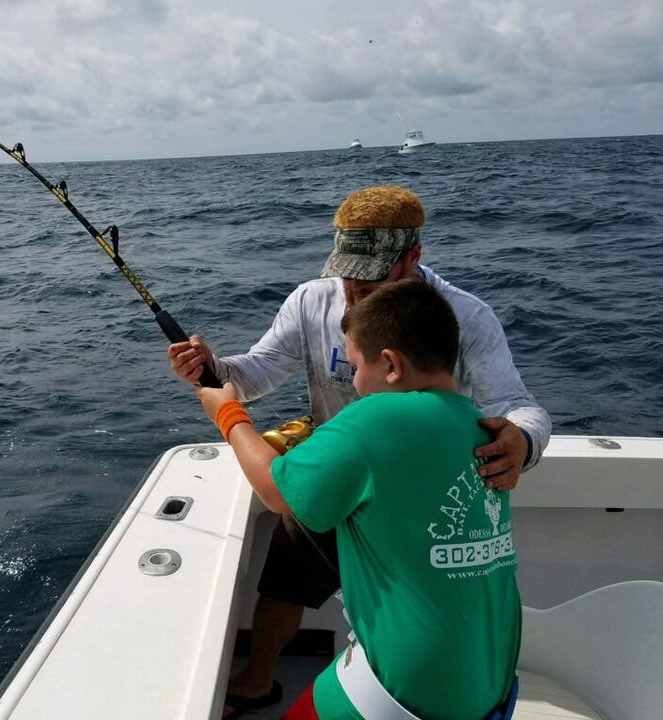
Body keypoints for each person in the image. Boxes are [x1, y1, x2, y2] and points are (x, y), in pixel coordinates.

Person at [167, 185, 549, 718]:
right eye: (347, 274)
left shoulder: (467, 316)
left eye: (369, 278)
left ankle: (382, 677)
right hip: (334, 466)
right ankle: (259, 680)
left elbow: (518, 405)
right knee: (285, 578)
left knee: (415, 602)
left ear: (413, 256)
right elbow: (256, 372)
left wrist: (522, 439)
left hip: (414, 494)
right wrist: (215, 371)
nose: (353, 291)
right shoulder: (310, 299)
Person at [197, 278, 521, 720]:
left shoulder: (374, 416)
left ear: (390, 364)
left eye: (354, 366)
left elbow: (276, 491)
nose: (354, 381)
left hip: (408, 691)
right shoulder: (482, 426)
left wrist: (228, 414)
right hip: (491, 685)